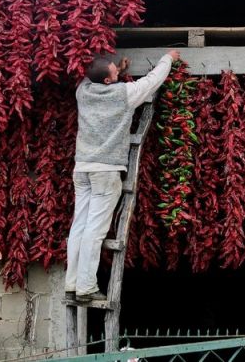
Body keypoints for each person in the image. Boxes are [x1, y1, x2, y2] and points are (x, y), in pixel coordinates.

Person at [65, 49, 180, 302]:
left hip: (82, 168)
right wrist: (167, 59)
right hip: (106, 172)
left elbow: (94, 77)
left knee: (79, 226)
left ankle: (71, 283)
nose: (118, 72)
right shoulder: (123, 95)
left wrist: (119, 70)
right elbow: (151, 82)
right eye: (115, 72)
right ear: (108, 81)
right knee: (95, 230)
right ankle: (85, 287)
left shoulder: (82, 92)